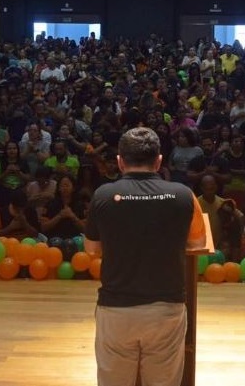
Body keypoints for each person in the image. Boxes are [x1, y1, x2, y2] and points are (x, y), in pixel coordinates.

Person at [84, 127, 206, 386]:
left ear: (119, 161)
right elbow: (198, 243)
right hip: (166, 308)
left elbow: (92, 249)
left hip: (116, 308)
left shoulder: (103, 195)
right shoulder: (184, 195)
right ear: (159, 161)